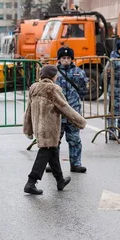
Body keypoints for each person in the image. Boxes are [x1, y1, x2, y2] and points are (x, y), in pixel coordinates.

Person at [23, 65, 87, 195]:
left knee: (52, 151)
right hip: (49, 126)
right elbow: (64, 107)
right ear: (53, 76)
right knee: (45, 152)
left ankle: (60, 180)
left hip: (38, 126)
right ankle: (31, 181)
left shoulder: (34, 88)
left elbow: (28, 110)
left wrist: (28, 128)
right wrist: (80, 121)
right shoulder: (52, 89)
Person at [56, 47, 89, 173]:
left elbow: (83, 89)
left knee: (74, 138)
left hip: (73, 111)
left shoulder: (78, 72)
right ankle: (53, 164)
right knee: (55, 140)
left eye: (68, 58)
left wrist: (75, 99)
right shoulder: (54, 72)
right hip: (57, 112)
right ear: (59, 59)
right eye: (63, 58)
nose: (66, 60)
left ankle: (76, 163)